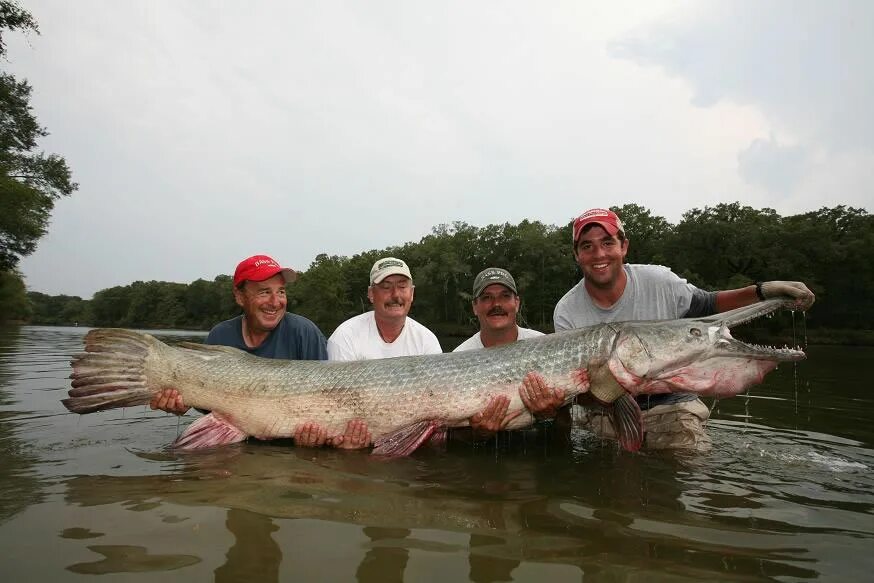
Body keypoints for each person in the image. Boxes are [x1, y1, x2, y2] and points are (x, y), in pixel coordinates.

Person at [552, 208, 816, 451]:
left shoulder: (659, 281)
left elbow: (708, 304)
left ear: (624, 247)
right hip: (604, 411)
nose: (599, 254)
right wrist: (593, 394)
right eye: (587, 246)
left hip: (673, 403)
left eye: (608, 242)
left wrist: (762, 292)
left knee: (690, 465)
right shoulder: (566, 311)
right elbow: (575, 394)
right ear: (577, 255)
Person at [150, 254, 367, 449]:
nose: (275, 302)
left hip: (289, 447)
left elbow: (330, 403)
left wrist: (320, 438)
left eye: (280, 292)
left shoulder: (305, 332)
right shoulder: (220, 336)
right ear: (240, 296)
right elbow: (208, 407)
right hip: (235, 439)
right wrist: (181, 404)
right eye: (265, 292)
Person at [453, 267, 567, 440]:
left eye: (505, 296)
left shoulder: (546, 346)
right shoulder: (458, 356)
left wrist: (549, 415)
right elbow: (450, 435)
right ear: (475, 307)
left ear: (517, 303)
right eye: (486, 298)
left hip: (538, 447)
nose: (496, 304)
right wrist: (477, 434)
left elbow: (567, 424)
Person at [327, 257, 442, 360]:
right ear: (371, 294)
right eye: (386, 287)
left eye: (402, 286)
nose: (396, 295)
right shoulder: (345, 337)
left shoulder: (427, 341)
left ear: (411, 293)